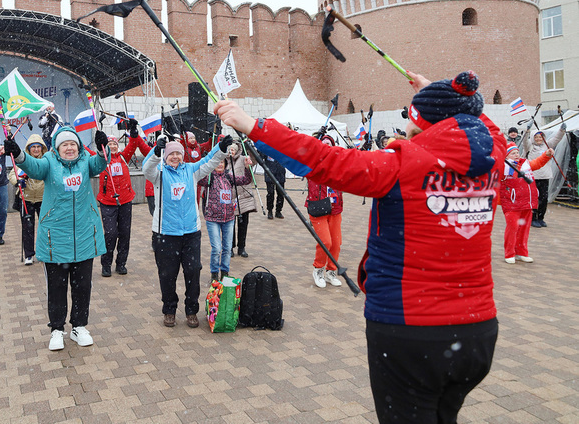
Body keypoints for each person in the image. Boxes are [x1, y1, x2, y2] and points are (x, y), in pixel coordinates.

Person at [215, 70, 506, 423]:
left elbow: (323, 160)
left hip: (410, 332)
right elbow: (486, 126)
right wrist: (443, 95)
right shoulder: (493, 157)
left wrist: (252, 125)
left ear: (420, 128)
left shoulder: (400, 165)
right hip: (476, 332)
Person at [8, 126, 109, 351]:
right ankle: (56, 329)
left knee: (83, 286)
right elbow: (33, 167)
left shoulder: (86, 161)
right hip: (55, 237)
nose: (70, 148)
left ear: (79, 146)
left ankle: (79, 326)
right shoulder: (48, 162)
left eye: (73, 144)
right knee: (57, 287)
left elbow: (100, 164)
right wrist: (18, 155)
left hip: (84, 235)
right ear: (57, 147)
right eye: (65, 144)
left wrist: (103, 149)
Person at [143, 135, 230, 328]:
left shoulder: (191, 170)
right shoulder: (159, 174)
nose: (175, 157)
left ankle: (191, 310)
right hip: (165, 233)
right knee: (167, 275)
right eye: (171, 153)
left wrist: (220, 147)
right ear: (165, 157)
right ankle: (169, 310)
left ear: (183, 155)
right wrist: (156, 152)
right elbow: (146, 168)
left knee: (193, 272)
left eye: (178, 153)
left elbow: (209, 161)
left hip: (191, 233)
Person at [98, 119, 150, 277]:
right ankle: (106, 264)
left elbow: (133, 144)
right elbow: (85, 151)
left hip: (125, 201)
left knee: (124, 234)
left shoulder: (123, 157)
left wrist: (134, 132)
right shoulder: (101, 159)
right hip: (108, 202)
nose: (112, 146)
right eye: (109, 144)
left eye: (114, 143)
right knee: (110, 234)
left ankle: (121, 263)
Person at [200, 157, 251, 281]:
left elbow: (246, 179)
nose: (219, 164)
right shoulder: (209, 177)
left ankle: (224, 272)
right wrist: (204, 163)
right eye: (217, 162)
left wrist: (247, 167)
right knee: (217, 248)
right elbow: (199, 179)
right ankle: (214, 274)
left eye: (222, 162)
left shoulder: (229, 176)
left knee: (227, 248)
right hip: (212, 218)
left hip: (228, 218)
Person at [501, 143, 553, 263]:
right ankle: (509, 253)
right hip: (512, 204)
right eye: (513, 153)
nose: (516, 155)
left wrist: (546, 155)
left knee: (524, 229)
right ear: (506, 155)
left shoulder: (525, 163)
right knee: (513, 228)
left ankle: (521, 252)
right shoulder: (503, 166)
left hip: (527, 203)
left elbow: (538, 163)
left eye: (517, 152)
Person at [306, 135, 344, 288]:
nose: (327, 146)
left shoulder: (338, 165)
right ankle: (318, 269)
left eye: (330, 144)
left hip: (335, 209)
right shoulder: (312, 163)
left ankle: (331, 271)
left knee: (336, 243)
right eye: (324, 144)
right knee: (325, 242)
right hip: (318, 207)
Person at [7, 134, 47, 265]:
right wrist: (17, 181)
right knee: (27, 228)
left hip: (43, 198)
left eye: (38, 147)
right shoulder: (23, 160)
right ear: (28, 149)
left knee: (45, 227)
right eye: (33, 147)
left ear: (42, 148)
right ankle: (29, 255)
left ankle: (44, 252)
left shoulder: (46, 160)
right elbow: (12, 174)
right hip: (26, 198)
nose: (36, 149)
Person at [524, 123, 566, 228]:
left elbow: (557, 138)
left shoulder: (547, 145)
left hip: (544, 176)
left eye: (541, 137)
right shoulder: (530, 146)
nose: (539, 139)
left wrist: (562, 130)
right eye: (536, 137)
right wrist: (527, 131)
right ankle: (532, 218)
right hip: (532, 177)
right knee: (533, 198)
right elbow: (525, 141)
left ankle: (541, 218)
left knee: (543, 198)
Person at [225, 142, 257, 258]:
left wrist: (250, 148)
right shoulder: (224, 161)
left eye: (233, 150)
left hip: (243, 196)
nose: (231, 152)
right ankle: (230, 247)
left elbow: (253, 160)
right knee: (230, 225)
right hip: (230, 198)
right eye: (230, 150)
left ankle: (241, 247)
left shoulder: (243, 158)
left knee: (243, 223)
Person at [261, 152, 286, 219]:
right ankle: (270, 211)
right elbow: (261, 156)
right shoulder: (266, 145)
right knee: (270, 193)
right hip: (269, 170)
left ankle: (278, 211)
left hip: (280, 171)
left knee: (281, 193)